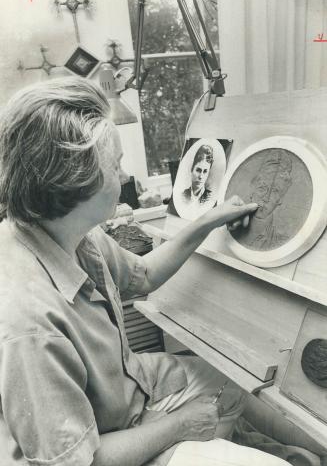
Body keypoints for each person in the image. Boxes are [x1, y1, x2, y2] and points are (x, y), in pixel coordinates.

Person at [0, 77, 290, 466]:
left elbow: (144, 275)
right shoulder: (27, 324)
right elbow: (75, 463)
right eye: (115, 165)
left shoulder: (69, 229)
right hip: (100, 447)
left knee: (232, 389)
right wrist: (178, 427)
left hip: (128, 394)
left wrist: (208, 220)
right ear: (74, 182)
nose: (124, 176)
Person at [234, 150, 293, 251]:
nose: (266, 198)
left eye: (275, 191)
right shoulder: (233, 223)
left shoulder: (280, 242)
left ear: (281, 198)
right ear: (253, 187)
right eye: (262, 188)